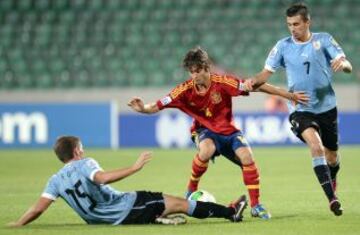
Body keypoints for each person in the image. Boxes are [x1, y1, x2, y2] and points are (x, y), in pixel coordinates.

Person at [128, 47, 309, 220]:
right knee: (206, 149)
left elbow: (258, 87)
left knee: (247, 157)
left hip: (228, 131)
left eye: (198, 70)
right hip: (203, 131)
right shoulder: (183, 90)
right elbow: (157, 105)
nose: (195, 75)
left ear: (207, 68)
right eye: (191, 72)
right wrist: (143, 108)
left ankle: (256, 206)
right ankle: (191, 190)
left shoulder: (223, 82)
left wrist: (288, 95)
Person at [244, 3, 352, 216]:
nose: (292, 29)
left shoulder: (324, 40)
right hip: (300, 108)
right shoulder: (283, 46)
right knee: (316, 146)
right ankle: (332, 198)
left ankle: (333, 177)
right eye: (289, 24)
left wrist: (343, 64)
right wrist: (251, 82)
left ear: (307, 22)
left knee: (332, 157)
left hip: (327, 107)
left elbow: (345, 63)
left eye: (296, 24)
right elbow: (264, 75)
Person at [8, 136, 249, 227]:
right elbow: (101, 178)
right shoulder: (85, 163)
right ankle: (230, 213)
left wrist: (18, 224)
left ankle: (156, 219)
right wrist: (134, 167)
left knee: (161, 205)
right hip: (123, 208)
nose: (83, 150)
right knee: (179, 203)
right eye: (82, 147)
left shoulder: (55, 180)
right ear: (77, 152)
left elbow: (38, 209)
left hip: (99, 218)